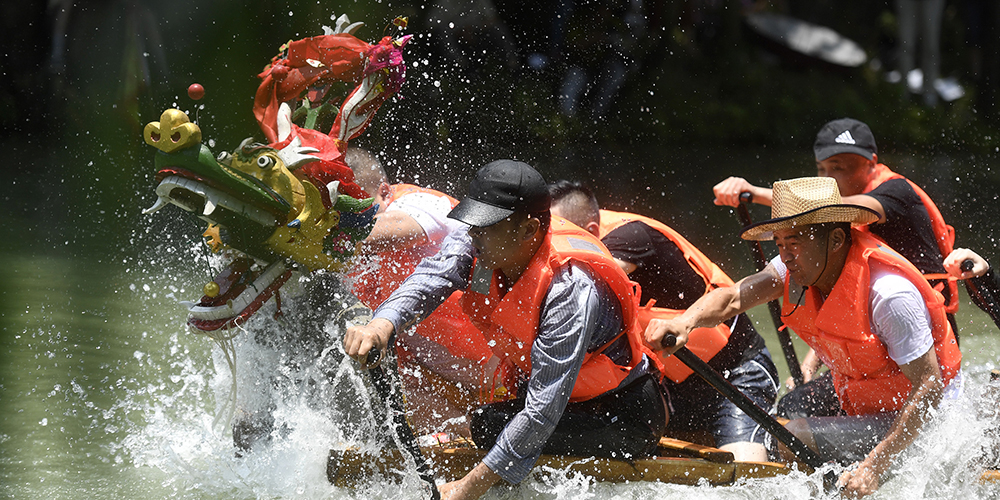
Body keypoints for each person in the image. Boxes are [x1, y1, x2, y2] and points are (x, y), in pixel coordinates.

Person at [344, 160, 668, 500]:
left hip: (619, 417)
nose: (472, 235)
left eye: (484, 227)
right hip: (566, 407)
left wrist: (465, 490)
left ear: (528, 230)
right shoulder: (480, 245)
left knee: (490, 425)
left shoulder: (570, 290)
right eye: (472, 224)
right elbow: (430, 279)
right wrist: (381, 325)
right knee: (489, 422)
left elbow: (541, 411)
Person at [648, 177, 962, 498]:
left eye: (794, 243)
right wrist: (685, 323)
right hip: (870, 405)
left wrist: (873, 467)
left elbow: (929, 387)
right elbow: (732, 298)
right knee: (789, 408)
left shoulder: (888, 295)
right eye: (779, 244)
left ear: (837, 239)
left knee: (791, 435)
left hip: (927, 424)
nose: (785, 256)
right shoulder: (796, 268)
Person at [713, 117, 961, 386]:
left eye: (838, 167)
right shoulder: (837, 230)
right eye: (822, 168)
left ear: (871, 162)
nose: (828, 178)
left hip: (926, 341)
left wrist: (753, 192)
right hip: (882, 337)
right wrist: (809, 368)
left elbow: (829, 207)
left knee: (798, 408)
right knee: (796, 403)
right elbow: (842, 304)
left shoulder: (896, 193)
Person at [548, 180, 778, 462]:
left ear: (590, 232)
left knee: (748, 476)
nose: (551, 247)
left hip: (734, 378)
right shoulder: (572, 246)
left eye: (558, 234)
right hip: (667, 387)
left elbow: (577, 298)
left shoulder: (629, 238)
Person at [345, 147, 496, 437]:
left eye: (355, 211)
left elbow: (380, 232)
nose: (348, 221)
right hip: (445, 378)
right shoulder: (349, 254)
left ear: (385, 192)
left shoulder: (421, 202)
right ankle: (468, 440)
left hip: (504, 363)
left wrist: (316, 232)